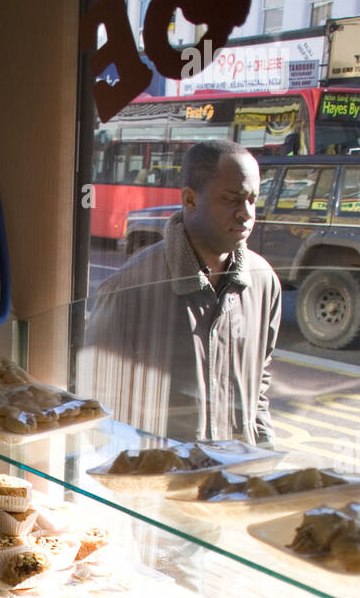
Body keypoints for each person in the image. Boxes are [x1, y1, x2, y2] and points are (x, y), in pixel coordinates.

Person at [84, 140, 281, 446]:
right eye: (232, 199)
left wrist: (264, 455)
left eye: (253, 200)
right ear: (190, 200)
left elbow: (259, 387)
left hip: (235, 480)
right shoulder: (130, 287)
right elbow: (100, 404)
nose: (246, 214)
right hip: (159, 479)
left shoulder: (264, 281)